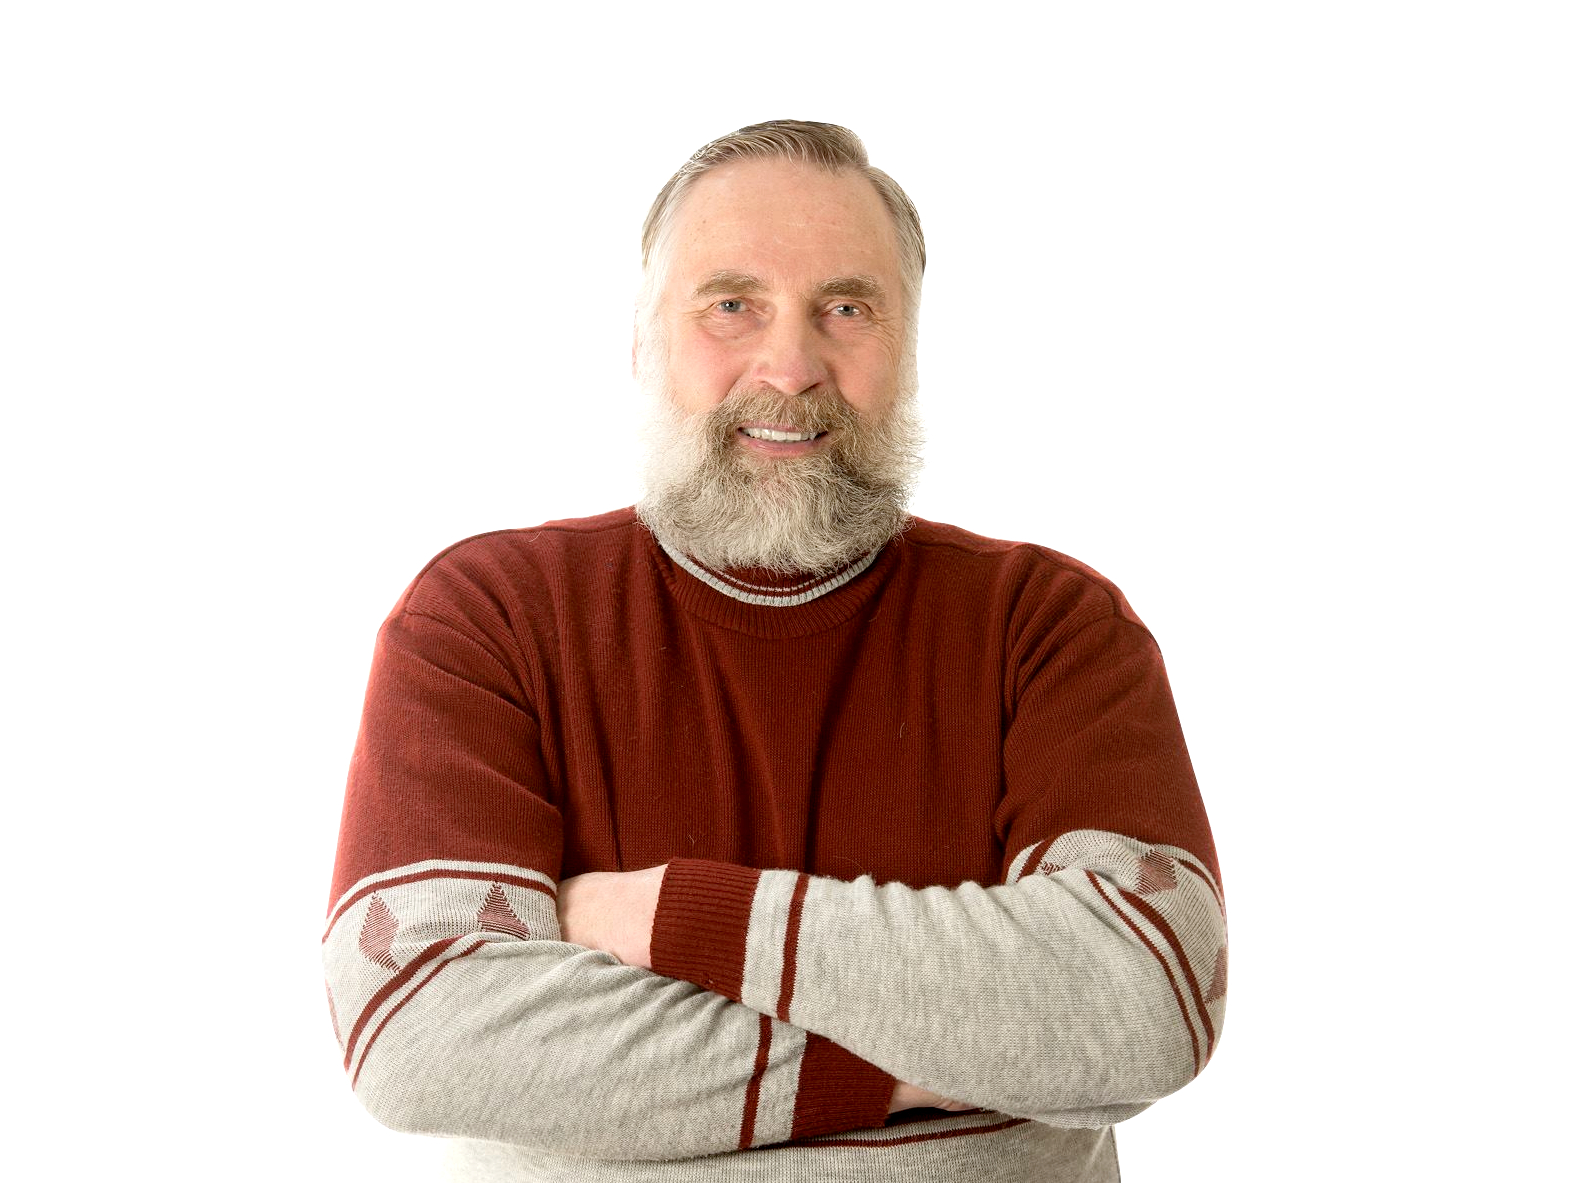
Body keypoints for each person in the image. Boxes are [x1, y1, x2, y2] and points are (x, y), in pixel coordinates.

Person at [323, 120, 1226, 1182]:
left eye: (846, 308)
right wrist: (930, 1063)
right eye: (731, 305)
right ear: (642, 343)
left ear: (907, 350)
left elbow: (1144, 1001)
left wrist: (663, 914)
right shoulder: (485, 618)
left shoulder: (1053, 627)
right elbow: (417, 1029)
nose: (790, 367)